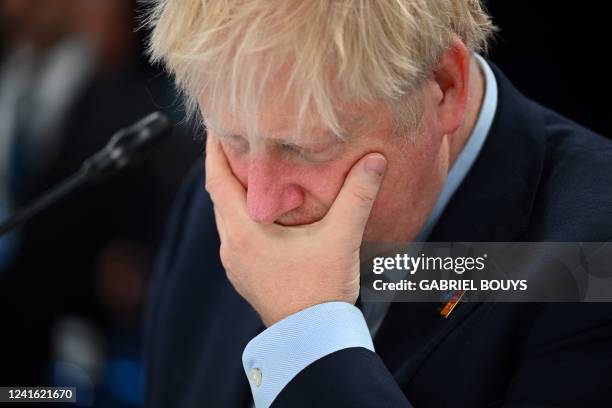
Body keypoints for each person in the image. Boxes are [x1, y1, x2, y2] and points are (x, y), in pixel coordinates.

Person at [144, 1, 612, 407]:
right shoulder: (220, 199)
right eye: (233, 138)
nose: (261, 207)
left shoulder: (595, 262)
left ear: (444, 86)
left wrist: (310, 336)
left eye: (305, 148)